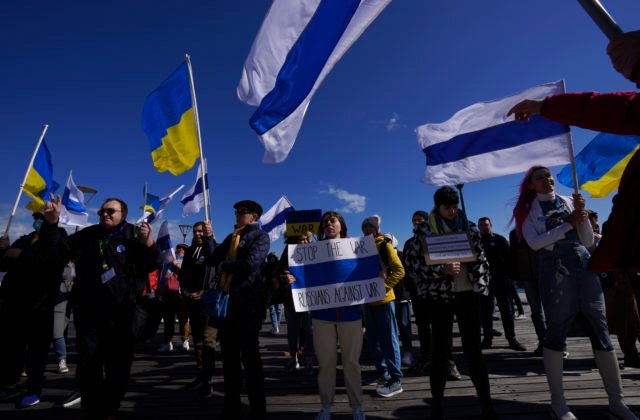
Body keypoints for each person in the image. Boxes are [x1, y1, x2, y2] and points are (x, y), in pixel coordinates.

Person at [512, 166, 637, 420]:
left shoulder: (569, 201)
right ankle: (558, 404)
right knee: (556, 330)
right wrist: (568, 224)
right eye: (540, 177)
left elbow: (589, 241)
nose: (547, 180)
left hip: (584, 267)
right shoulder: (526, 212)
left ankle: (617, 402)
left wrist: (581, 214)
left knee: (601, 330)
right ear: (531, 186)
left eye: (548, 176)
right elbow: (536, 243)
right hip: (555, 273)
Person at [48, 196, 159, 419]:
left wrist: (149, 244)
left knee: (118, 363)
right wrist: (52, 224)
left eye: (110, 211)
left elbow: (149, 265)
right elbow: (57, 253)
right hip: (88, 311)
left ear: (123, 214)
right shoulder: (88, 234)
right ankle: (92, 407)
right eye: (101, 212)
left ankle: (111, 405)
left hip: (121, 313)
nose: (104, 214)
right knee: (89, 361)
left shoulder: (134, 234)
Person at [404, 187, 498, 420]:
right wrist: (440, 270)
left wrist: (478, 274)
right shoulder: (424, 231)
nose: (452, 211)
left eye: (455, 206)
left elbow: (482, 259)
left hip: (468, 295)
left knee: (474, 351)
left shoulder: (470, 226)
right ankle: (437, 406)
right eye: (447, 207)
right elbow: (413, 266)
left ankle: (487, 405)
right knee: (440, 352)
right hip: (440, 297)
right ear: (437, 207)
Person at [287, 211, 365, 420]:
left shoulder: (358, 248)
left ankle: (357, 406)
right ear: (322, 228)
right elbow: (300, 275)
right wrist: (292, 276)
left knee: (351, 363)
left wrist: (378, 271)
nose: (330, 224)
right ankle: (326, 407)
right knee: (326, 363)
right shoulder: (311, 251)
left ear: (342, 225)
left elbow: (368, 270)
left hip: (350, 314)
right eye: (326, 222)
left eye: (334, 220)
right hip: (322, 315)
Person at [206, 200, 270, 420]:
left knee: (251, 361)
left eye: (242, 212)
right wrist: (209, 237)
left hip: (248, 308)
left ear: (254, 217)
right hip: (228, 308)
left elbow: (251, 262)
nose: (237, 215)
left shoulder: (260, 237)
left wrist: (226, 266)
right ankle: (231, 405)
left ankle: (258, 408)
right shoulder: (232, 237)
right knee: (229, 361)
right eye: (236, 212)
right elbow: (213, 258)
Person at [0, 211, 69, 408]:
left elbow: (53, 262)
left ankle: (34, 388)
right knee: (12, 348)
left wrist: (21, 255)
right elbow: (5, 261)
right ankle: (10, 385)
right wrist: (2, 249)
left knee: (36, 351)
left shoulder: (59, 237)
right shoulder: (25, 239)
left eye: (41, 217)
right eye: (35, 217)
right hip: (14, 302)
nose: (37, 220)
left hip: (41, 303)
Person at [360, 215, 405, 398]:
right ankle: (382, 371)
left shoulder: (384, 245)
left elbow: (399, 270)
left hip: (384, 301)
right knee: (373, 339)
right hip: (367, 302)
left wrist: (382, 288)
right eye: (364, 226)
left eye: (370, 226)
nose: (367, 229)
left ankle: (396, 378)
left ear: (376, 228)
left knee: (389, 338)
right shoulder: (359, 248)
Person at [179, 221, 217, 399]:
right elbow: (183, 275)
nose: (197, 234)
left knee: (209, 340)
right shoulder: (189, 252)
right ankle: (201, 373)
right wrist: (187, 293)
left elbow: (218, 275)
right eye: (195, 231)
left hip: (209, 301)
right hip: (192, 301)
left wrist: (205, 292)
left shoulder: (214, 249)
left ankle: (208, 380)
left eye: (201, 231)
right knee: (198, 340)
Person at [477, 217, 526, 351]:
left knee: (507, 312)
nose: (483, 227)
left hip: (502, 280)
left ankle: (512, 339)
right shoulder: (476, 241)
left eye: (486, 225)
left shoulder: (500, 239)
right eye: (481, 225)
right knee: (486, 313)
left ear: (491, 225)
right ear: (478, 227)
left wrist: (511, 277)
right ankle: (487, 340)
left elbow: (510, 260)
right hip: (484, 282)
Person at [275, 232, 315, 375]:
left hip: (310, 299)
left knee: (310, 331)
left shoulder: (315, 252)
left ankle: (308, 358)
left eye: (307, 239)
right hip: (291, 299)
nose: (305, 242)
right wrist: (285, 278)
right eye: (302, 239)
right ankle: (293, 357)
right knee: (292, 331)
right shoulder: (287, 252)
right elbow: (279, 273)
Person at [508, 229, 547, 357]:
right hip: (527, 277)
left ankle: (558, 344)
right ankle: (543, 342)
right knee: (536, 312)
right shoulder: (514, 234)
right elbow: (513, 256)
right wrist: (516, 277)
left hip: (547, 275)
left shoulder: (541, 228)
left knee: (552, 311)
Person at [158, 243, 190, 352]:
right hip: (168, 295)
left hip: (181, 296)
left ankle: (185, 340)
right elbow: (163, 277)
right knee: (168, 320)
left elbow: (188, 275)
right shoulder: (168, 263)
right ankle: (167, 342)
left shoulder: (188, 262)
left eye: (184, 249)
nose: (181, 250)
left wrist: (178, 265)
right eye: (179, 248)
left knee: (183, 319)